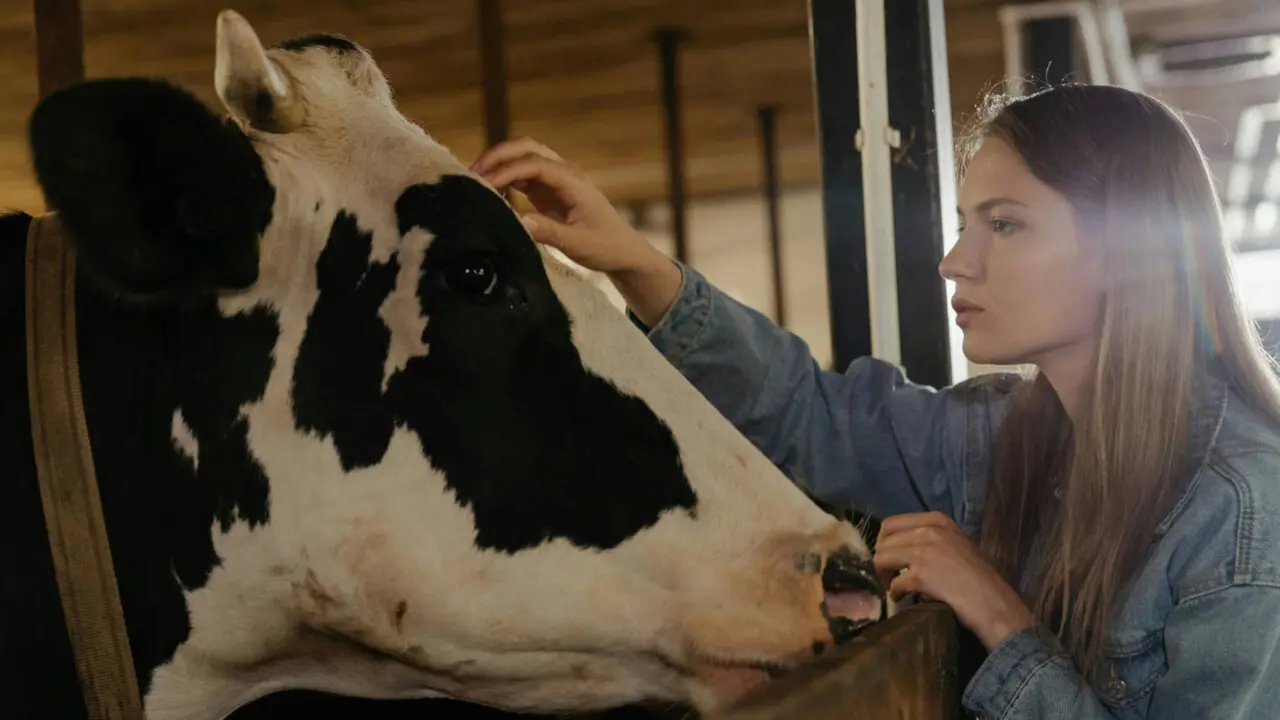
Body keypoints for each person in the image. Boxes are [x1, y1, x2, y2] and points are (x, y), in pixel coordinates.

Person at [470, 84, 1280, 718]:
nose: (955, 261)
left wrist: (1001, 619)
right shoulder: (1007, 432)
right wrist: (634, 264)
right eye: (965, 222)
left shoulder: (1244, 508)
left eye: (1004, 225)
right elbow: (809, 416)